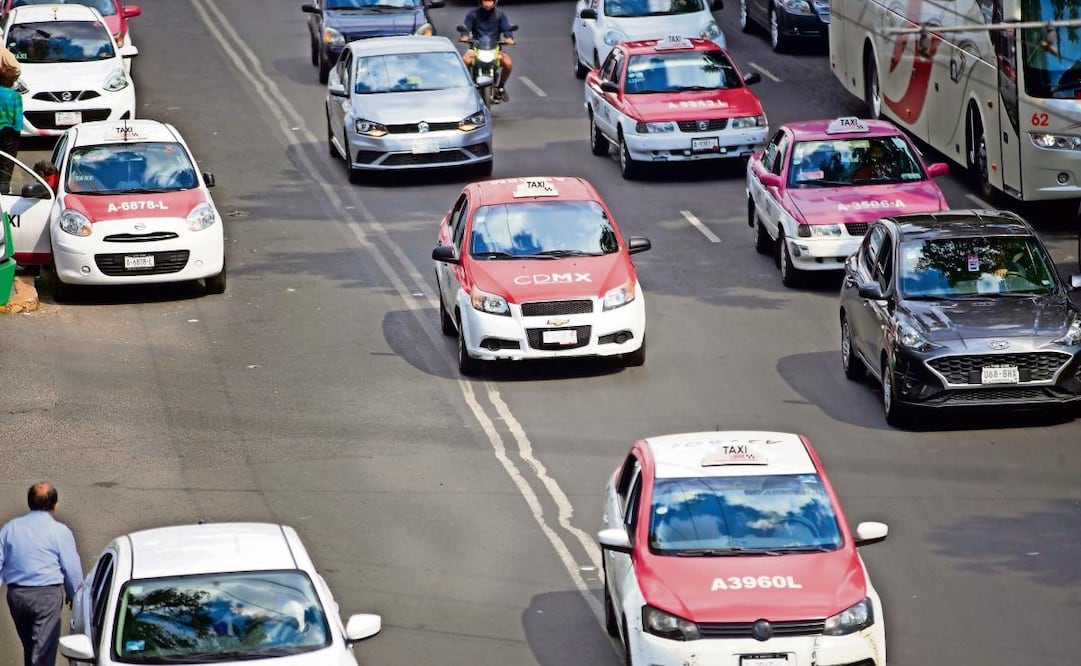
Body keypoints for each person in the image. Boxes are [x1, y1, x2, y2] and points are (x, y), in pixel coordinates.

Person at [0, 482, 84, 666]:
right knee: (42, 650)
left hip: (17, 597)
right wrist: (74, 594)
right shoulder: (60, 532)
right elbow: (71, 567)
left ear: (29, 503)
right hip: (46, 598)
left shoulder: (9, 529)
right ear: (55, 505)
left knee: (30, 645)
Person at [459, 0, 515, 102]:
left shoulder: (500, 15)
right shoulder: (473, 15)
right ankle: (468, 87)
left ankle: (501, 87)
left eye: (490, 1)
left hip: (494, 49)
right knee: (465, 61)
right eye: (485, 1)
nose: (488, 3)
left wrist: (509, 38)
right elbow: (465, 28)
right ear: (480, 2)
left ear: (494, 2)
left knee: (508, 63)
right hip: (476, 49)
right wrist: (464, 36)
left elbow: (507, 29)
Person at [0, 65, 23, 195]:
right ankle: (4, 188)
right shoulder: (15, 96)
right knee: (8, 161)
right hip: (9, 132)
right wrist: (17, 132)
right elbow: (18, 118)